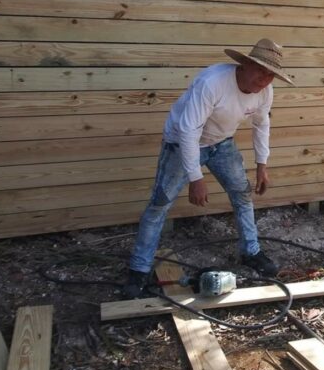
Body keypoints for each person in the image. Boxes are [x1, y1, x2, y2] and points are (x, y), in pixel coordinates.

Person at [123, 38, 294, 298]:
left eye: (271, 74)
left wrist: (262, 165)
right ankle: (139, 268)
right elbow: (188, 131)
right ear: (246, 64)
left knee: (242, 194)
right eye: (261, 70)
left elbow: (262, 126)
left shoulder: (265, 92)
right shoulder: (212, 83)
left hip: (221, 143)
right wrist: (196, 177)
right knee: (159, 204)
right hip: (181, 143)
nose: (265, 79)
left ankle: (252, 252)